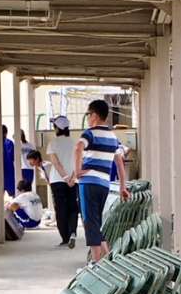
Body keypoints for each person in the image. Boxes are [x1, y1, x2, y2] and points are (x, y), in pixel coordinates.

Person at [74, 100, 129, 264]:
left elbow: (78, 148)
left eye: (88, 114)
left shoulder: (89, 133)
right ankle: (108, 258)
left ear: (95, 115)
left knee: (90, 223)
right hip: (104, 184)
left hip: (88, 183)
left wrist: (77, 171)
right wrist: (123, 187)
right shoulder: (113, 137)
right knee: (96, 223)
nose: (88, 118)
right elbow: (120, 162)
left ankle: (96, 263)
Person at [46, 116, 79, 248]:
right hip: (73, 180)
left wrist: (65, 178)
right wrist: (72, 178)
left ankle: (65, 238)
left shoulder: (53, 143)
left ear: (57, 128)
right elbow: (78, 162)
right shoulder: (74, 143)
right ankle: (73, 232)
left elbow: (56, 163)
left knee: (61, 209)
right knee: (72, 207)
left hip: (57, 180)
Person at [0, 125, 16, 197]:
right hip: (8, 172)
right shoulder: (9, 143)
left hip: (1, 172)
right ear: (6, 133)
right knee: (13, 194)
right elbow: (13, 158)